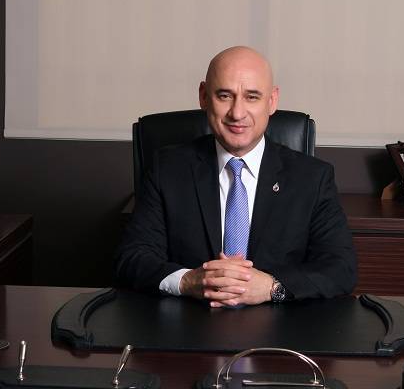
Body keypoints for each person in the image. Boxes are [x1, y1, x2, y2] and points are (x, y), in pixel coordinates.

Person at [115, 46, 356, 307]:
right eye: (224, 96)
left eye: (252, 97)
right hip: (190, 321)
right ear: (203, 96)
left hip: (279, 326)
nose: (237, 113)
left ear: (272, 101)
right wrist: (188, 281)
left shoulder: (312, 178)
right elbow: (132, 258)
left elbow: (341, 268)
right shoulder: (167, 169)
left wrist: (272, 287)